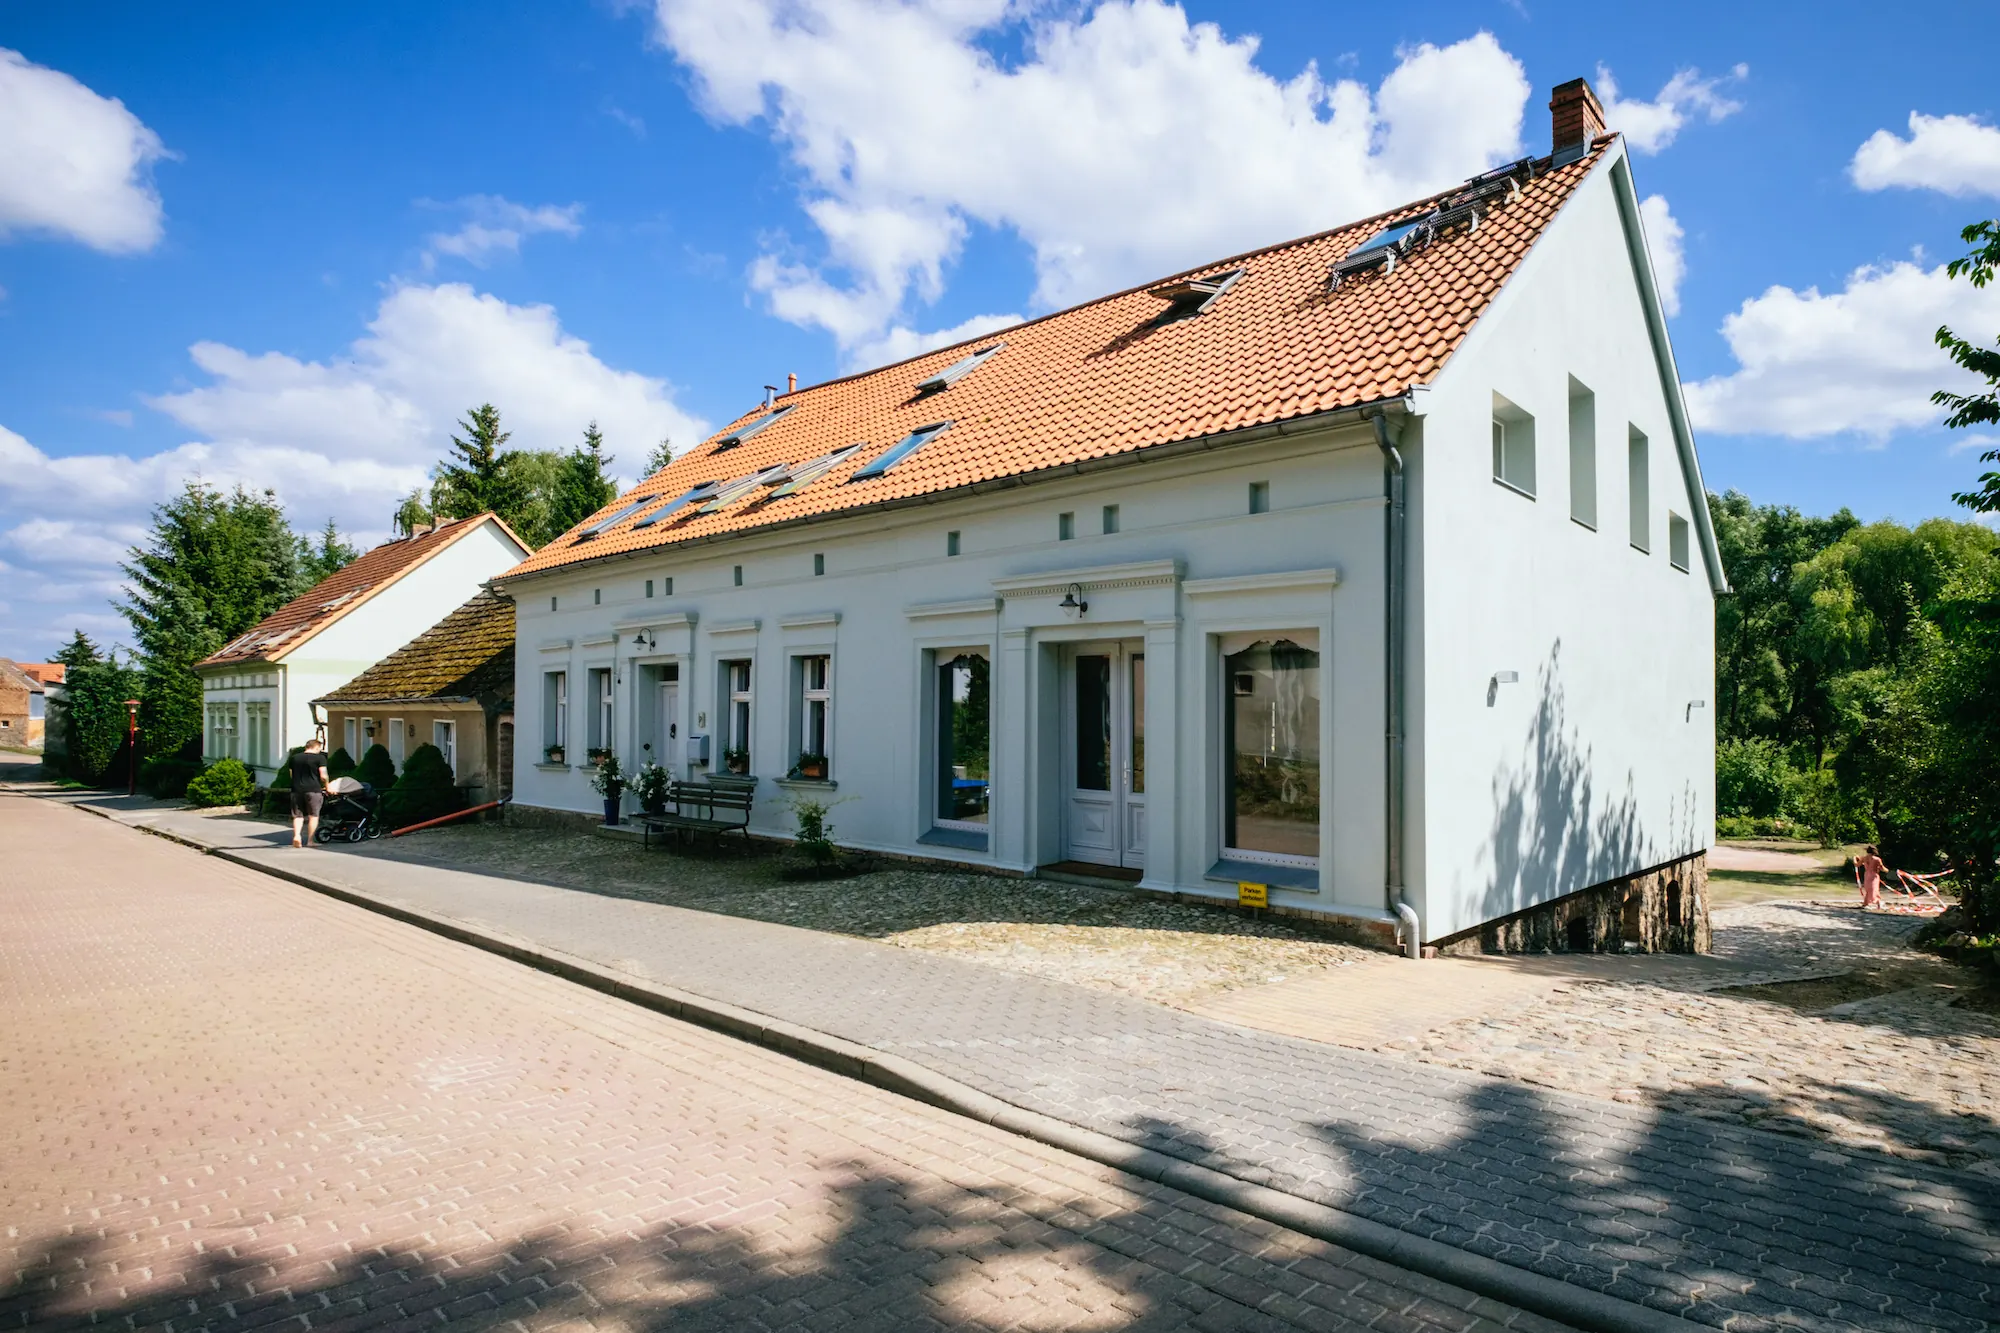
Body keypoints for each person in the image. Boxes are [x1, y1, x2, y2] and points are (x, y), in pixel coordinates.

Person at [290, 735, 330, 848]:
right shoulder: (320, 758)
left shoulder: (295, 758)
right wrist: (327, 786)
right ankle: (310, 841)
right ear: (317, 747)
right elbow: (323, 775)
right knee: (313, 815)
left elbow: (291, 774)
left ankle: (297, 836)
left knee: (297, 815)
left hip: (296, 790)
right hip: (314, 789)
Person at [1856, 844, 1887, 909]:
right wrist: (1886, 870)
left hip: (1867, 875)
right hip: (1874, 875)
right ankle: (1878, 902)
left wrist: (1854, 859)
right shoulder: (1877, 859)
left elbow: (1857, 865)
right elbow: (1882, 868)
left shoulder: (1864, 858)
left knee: (1868, 889)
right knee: (1874, 889)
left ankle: (1866, 903)